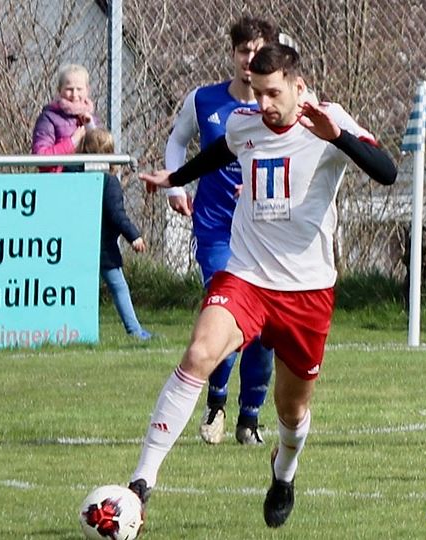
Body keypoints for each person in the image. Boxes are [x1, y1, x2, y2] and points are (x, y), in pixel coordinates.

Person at [130, 44, 397, 528]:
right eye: (257, 92)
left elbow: (388, 172)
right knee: (199, 353)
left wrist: (338, 138)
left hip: (307, 291)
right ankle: (140, 484)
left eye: (273, 92)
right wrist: (176, 177)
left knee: (291, 410)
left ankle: (284, 472)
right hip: (247, 275)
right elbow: (221, 151)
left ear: (299, 86)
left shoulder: (330, 119)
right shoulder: (244, 121)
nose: (264, 103)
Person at [163, 16, 281, 446]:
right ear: (232, 54)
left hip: (265, 234)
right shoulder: (204, 100)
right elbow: (177, 141)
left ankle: (249, 418)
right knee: (224, 314)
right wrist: (175, 187)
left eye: (258, 51)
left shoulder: (280, 107)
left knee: (264, 330)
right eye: (243, 51)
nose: (250, 59)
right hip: (216, 229)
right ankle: (216, 403)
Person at [80, 128, 151, 340]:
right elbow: (116, 214)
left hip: (79, 244)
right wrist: (134, 236)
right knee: (119, 287)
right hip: (103, 249)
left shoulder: (73, 176)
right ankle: (134, 330)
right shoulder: (109, 182)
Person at [32, 63, 99, 172]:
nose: (74, 94)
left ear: (87, 90)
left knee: (111, 179)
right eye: (69, 89)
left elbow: (102, 153)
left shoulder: (92, 119)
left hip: (88, 175)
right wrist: (72, 142)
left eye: (79, 89)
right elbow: (40, 157)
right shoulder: (49, 117)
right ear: (60, 90)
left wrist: (91, 128)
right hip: (60, 176)